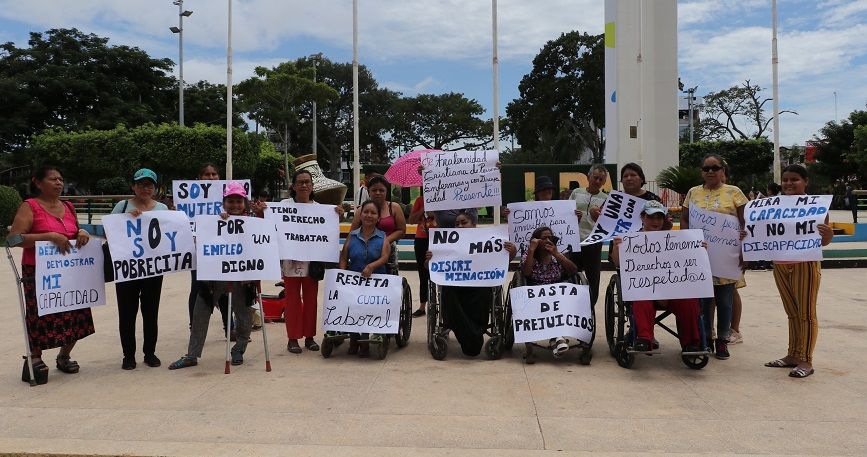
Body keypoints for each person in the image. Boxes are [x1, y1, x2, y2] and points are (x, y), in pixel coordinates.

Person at [6, 166, 95, 384]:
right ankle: (35, 357)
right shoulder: (30, 206)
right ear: (37, 182)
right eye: (53, 179)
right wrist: (48, 236)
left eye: (61, 179)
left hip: (71, 271)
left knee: (76, 313)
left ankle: (64, 355)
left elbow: (74, 231)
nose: (58, 183)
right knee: (40, 315)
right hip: (39, 272)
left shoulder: (68, 206)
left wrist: (82, 232)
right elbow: (13, 239)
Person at [168, 182, 258, 369]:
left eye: (239, 201)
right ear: (224, 202)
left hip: (242, 280)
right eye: (231, 201)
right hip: (213, 279)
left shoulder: (254, 222)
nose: (235, 205)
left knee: (244, 318)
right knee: (200, 314)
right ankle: (192, 355)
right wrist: (218, 223)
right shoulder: (214, 221)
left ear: (244, 202)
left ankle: (239, 349)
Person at [764, 165, 833, 378]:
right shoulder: (773, 206)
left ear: (805, 181)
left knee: (806, 314)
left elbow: (824, 241)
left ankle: (806, 360)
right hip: (781, 263)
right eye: (785, 180)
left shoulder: (817, 207)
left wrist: (828, 233)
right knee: (792, 313)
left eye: (794, 179)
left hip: (806, 263)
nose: (788, 184)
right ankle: (793, 354)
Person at [609, 201, 704, 353]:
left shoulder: (676, 239)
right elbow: (618, 264)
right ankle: (644, 338)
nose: (656, 221)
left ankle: (691, 342)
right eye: (651, 217)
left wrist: (700, 249)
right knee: (640, 298)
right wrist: (616, 247)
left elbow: (691, 262)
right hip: (644, 288)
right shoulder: (630, 239)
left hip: (672, 288)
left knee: (690, 301)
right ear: (642, 217)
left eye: (659, 218)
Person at [680, 155, 747, 360]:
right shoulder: (693, 192)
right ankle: (706, 338)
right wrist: (688, 241)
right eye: (706, 168)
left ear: (722, 171)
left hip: (726, 257)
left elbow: (746, 223)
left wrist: (746, 250)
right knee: (704, 301)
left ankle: (723, 341)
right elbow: (684, 219)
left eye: (714, 168)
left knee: (725, 301)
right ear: (701, 171)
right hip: (700, 255)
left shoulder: (734, 192)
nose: (710, 172)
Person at [425, 211, 517, 356]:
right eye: (457, 224)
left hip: (479, 286)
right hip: (454, 287)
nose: (460, 226)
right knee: (447, 292)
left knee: (484, 292)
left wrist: (511, 253)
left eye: (464, 222)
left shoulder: (486, 240)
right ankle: (472, 335)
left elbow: (500, 264)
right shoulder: (446, 243)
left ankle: (471, 335)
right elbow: (431, 269)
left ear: (474, 224)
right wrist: (429, 260)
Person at [111, 168, 170, 370]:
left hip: (153, 269)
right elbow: (109, 231)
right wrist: (126, 219)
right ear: (133, 186)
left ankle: (149, 352)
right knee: (127, 313)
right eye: (142, 184)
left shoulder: (162, 208)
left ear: (155, 187)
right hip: (127, 269)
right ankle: (128, 355)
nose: (146, 188)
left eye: (150, 185)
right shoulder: (122, 206)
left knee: (150, 312)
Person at [280, 170, 344, 354]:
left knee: (310, 300)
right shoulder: (284, 205)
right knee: (292, 300)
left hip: (312, 262)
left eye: (307, 182)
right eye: (300, 182)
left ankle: (309, 337)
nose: (304, 185)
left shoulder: (321, 208)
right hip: (290, 260)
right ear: (293, 186)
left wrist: (337, 215)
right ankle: (292, 338)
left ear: (312, 186)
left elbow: (329, 232)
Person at [339, 199, 391, 358]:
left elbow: (385, 257)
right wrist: (342, 273)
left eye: (373, 213)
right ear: (360, 215)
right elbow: (343, 257)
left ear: (378, 217)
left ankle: (364, 341)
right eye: (366, 212)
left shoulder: (383, 237)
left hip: (376, 282)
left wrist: (372, 266)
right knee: (353, 308)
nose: (369, 215)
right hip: (354, 280)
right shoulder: (352, 236)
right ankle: (354, 340)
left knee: (368, 308)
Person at [520, 226, 579, 357]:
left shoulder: (557, 255)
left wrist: (557, 254)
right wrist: (531, 249)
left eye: (550, 238)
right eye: (544, 238)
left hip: (556, 292)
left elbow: (574, 270)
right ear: (536, 240)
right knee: (548, 303)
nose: (547, 240)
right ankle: (558, 338)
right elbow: (526, 272)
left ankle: (556, 339)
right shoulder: (529, 255)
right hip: (535, 293)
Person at [187, 163, 229, 338]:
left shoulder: (228, 198)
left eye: (214, 174)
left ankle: (229, 326)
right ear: (199, 178)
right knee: (197, 288)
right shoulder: (189, 199)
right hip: (199, 251)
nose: (211, 178)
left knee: (225, 290)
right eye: (207, 174)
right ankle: (194, 327)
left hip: (223, 251)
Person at [568, 164, 608, 308]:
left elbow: (606, 224)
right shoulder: (576, 192)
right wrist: (573, 216)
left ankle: (589, 308)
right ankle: (571, 306)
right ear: (588, 177)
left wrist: (595, 217)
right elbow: (565, 214)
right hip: (573, 241)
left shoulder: (606, 199)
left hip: (593, 243)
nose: (597, 181)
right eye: (595, 177)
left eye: (601, 179)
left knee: (593, 278)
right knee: (570, 274)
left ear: (604, 182)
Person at [350, 175, 406, 274]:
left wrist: (384, 242)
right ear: (369, 191)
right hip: (364, 252)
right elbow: (352, 233)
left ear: (386, 191)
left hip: (389, 253)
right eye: (374, 190)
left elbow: (401, 230)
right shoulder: (360, 210)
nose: (378, 193)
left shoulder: (394, 208)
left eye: (381, 190)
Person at [408, 190, 436, 317]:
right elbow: (411, 220)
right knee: (423, 272)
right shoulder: (420, 200)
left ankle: (442, 304)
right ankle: (422, 305)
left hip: (440, 238)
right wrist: (424, 208)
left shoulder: (445, 198)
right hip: (422, 239)